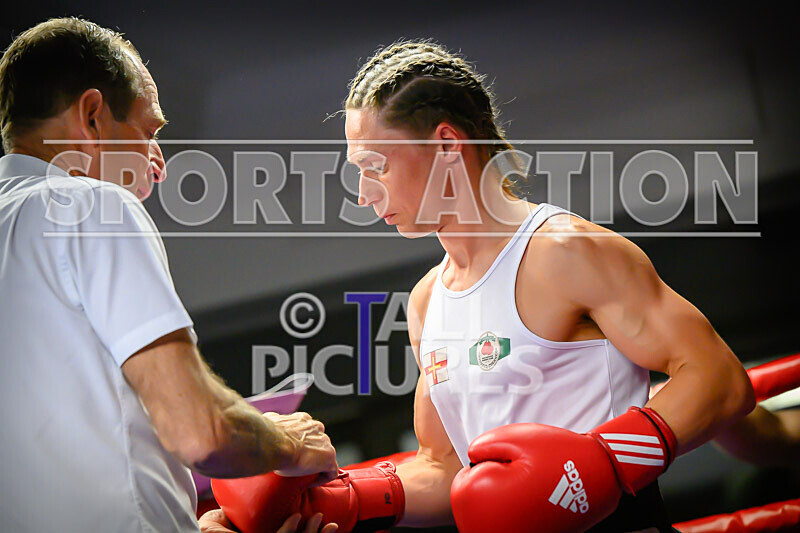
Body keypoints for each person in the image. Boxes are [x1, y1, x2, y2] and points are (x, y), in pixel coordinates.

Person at [211, 40, 755, 532]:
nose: (362, 193)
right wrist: (340, 500)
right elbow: (444, 468)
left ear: (447, 144)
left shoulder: (565, 252)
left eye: (375, 165)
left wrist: (605, 462)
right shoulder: (428, 302)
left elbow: (719, 379)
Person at [0, 17, 337, 533]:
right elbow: (199, 433)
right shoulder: (92, 204)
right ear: (92, 116)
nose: (158, 163)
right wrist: (290, 442)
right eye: (149, 131)